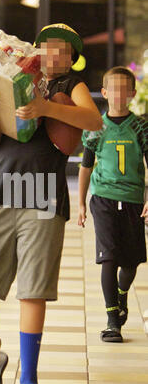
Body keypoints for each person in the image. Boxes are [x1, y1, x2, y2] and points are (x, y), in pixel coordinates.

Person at [0, 24, 102, 384]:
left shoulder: (68, 86)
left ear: (71, 57)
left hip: (43, 194)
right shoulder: (14, 78)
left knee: (33, 288)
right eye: (46, 47)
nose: (51, 54)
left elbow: (94, 120)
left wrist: (45, 108)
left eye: (61, 49)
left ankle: (29, 380)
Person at [78, 66, 148, 343]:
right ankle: (111, 321)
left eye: (124, 89)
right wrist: (82, 203)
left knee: (130, 262)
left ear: (131, 94)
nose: (118, 94)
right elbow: (85, 167)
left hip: (132, 199)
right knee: (108, 257)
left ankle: (121, 294)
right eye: (113, 89)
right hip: (103, 198)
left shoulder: (141, 127)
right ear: (105, 93)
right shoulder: (96, 126)